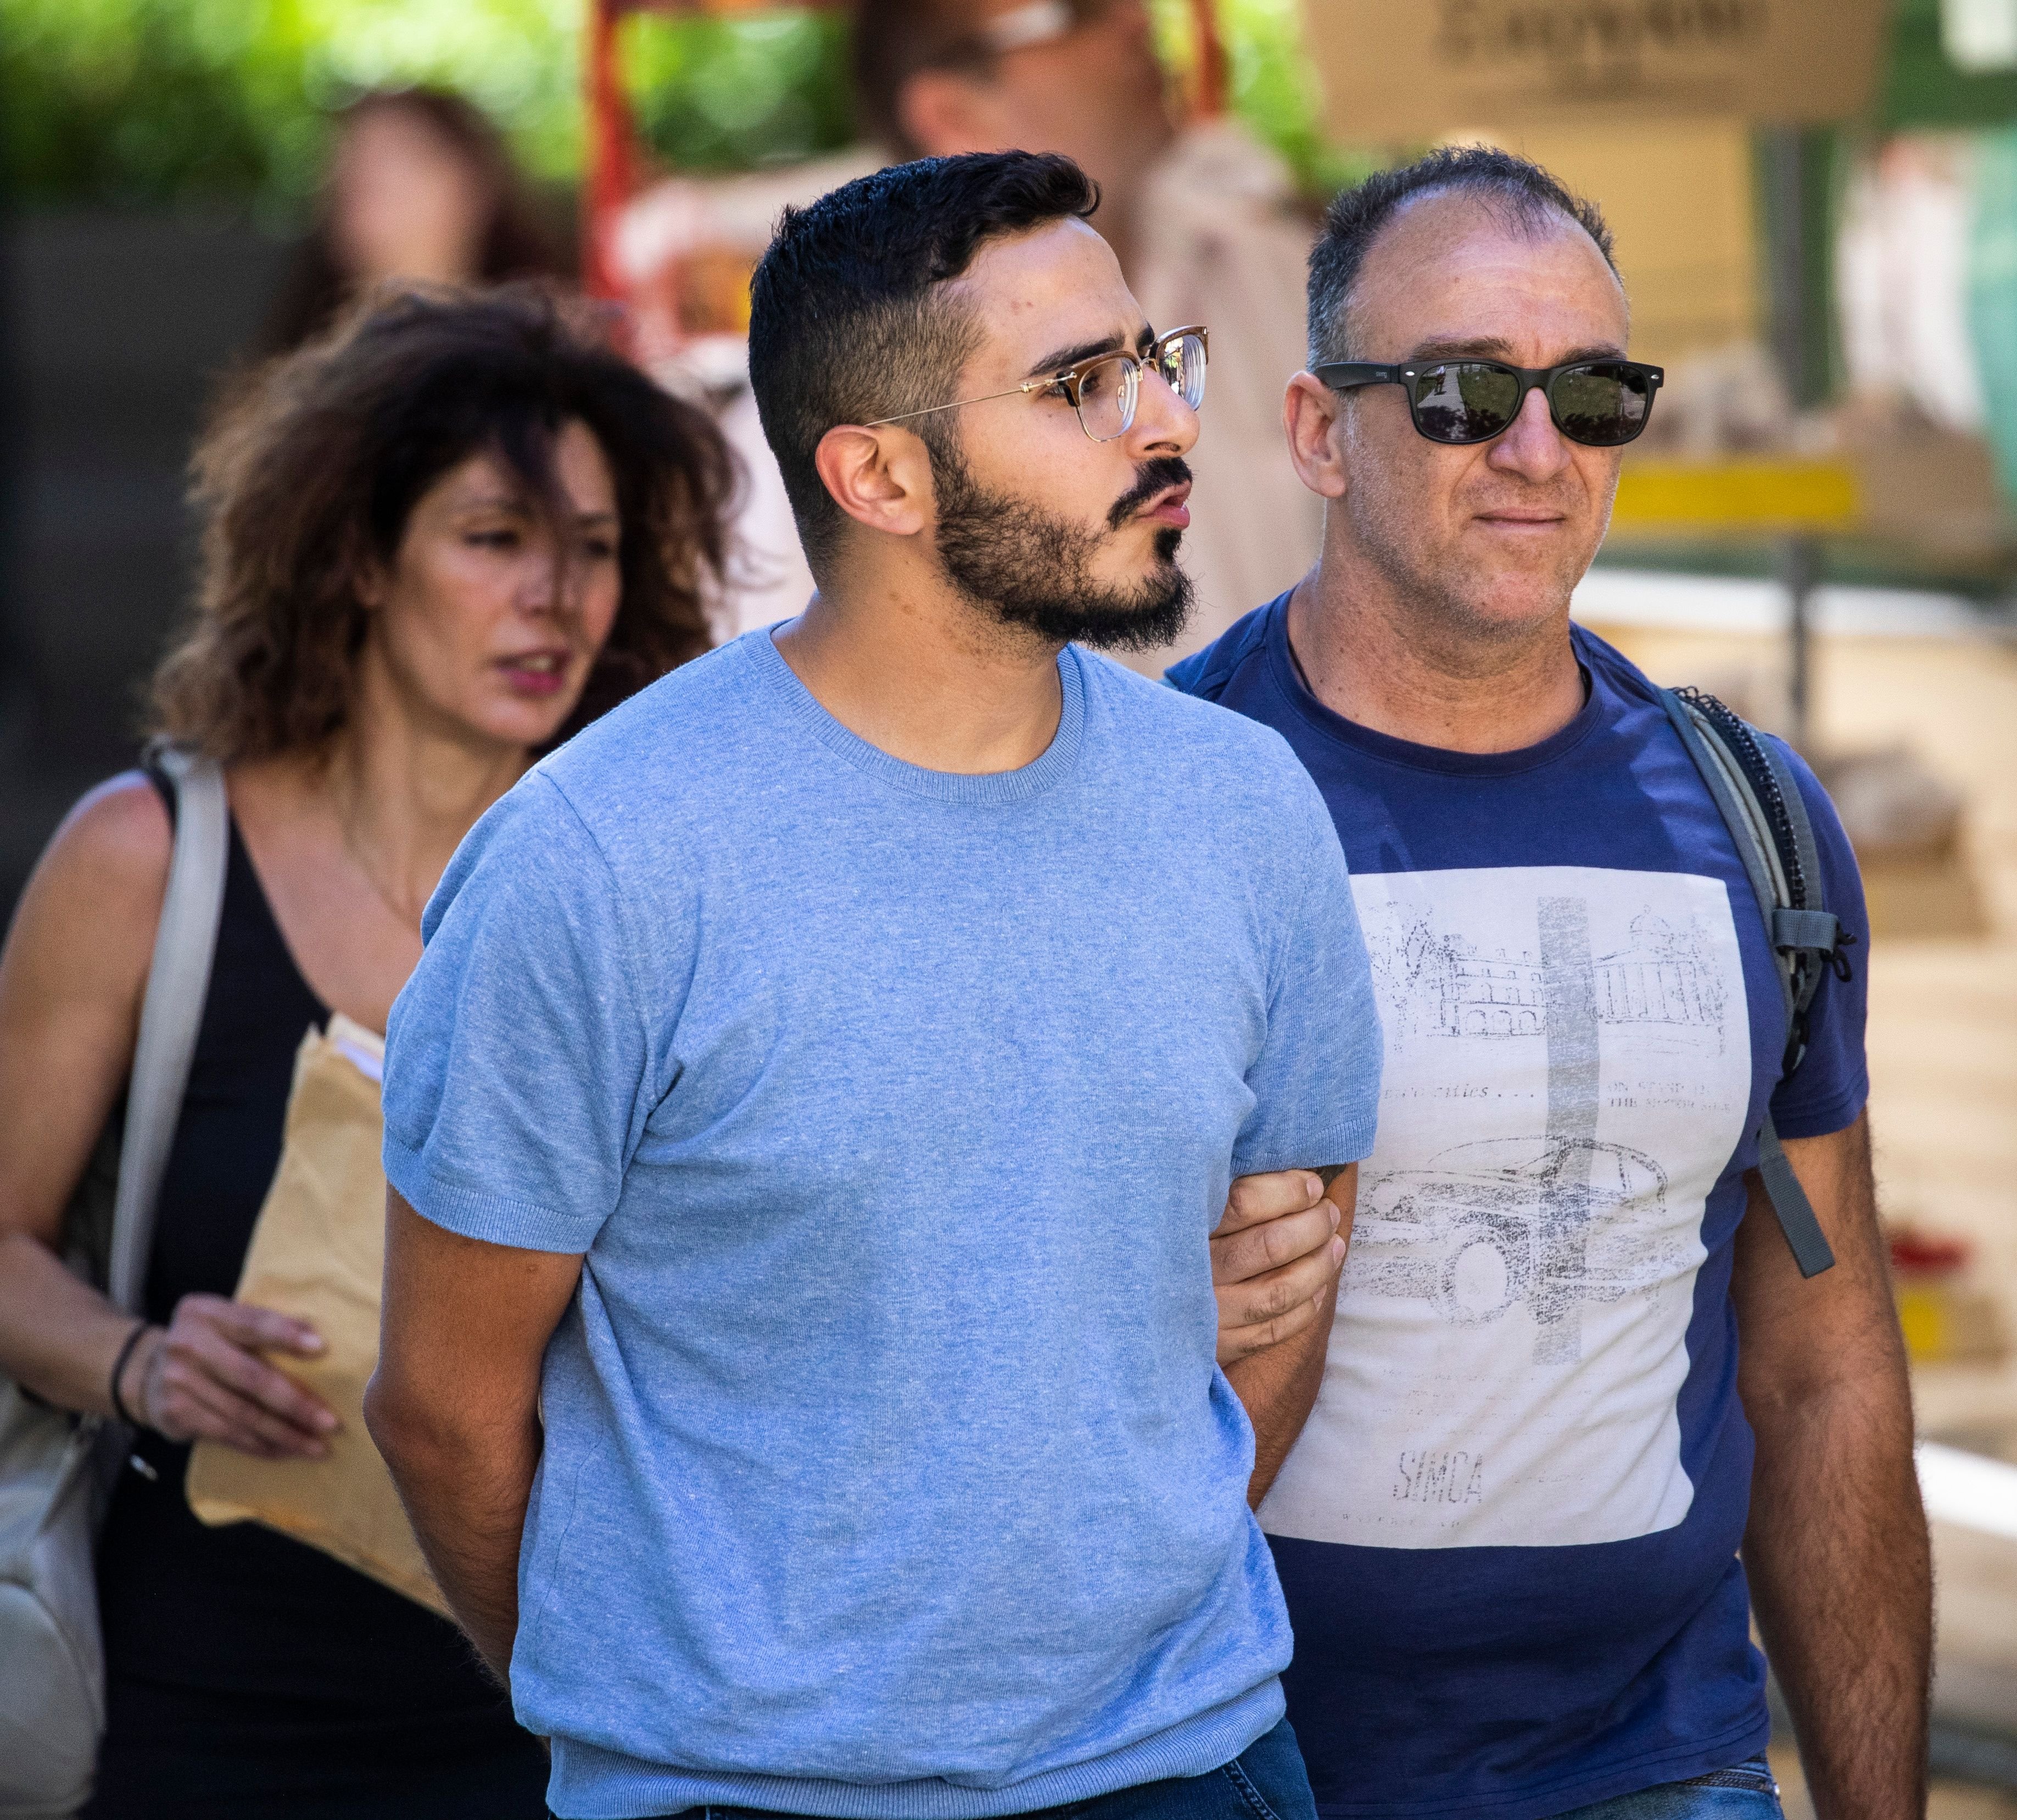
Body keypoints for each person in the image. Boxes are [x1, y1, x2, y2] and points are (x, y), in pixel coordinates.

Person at [365, 151, 1382, 1820]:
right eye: (1077, 385)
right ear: (878, 476)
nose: (1162, 422)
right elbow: (445, 1409)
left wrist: (1105, 1617)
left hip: (1186, 1767)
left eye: (1150, 360)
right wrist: (667, 1715)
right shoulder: (597, 861)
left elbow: (1295, 1279)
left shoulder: (1246, 809)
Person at [1169, 148, 1931, 1820]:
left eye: (1592, 392)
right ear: (1316, 429)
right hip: (1224, 1770)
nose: (1535, 450)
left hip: (1660, 1769)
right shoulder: (1156, 806)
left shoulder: (1759, 823)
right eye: (1458, 393)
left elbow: (1822, 1366)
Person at [0, 284, 732, 1817]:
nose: (555, 597)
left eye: (594, 549)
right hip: (197, 1714)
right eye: (494, 538)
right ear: (354, 555)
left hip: (582, 1726)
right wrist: (137, 1359)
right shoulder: (151, 860)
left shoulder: (662, 883)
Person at [850, 0, 1324, 667]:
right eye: (1076, 12)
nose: (1136, 19)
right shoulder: (856, 404)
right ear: (954, 115)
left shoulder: (1281, 269)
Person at [262, 89, 561, 353]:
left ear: (477, 186)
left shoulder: (548, 352)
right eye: (352, 166)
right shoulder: (291, 378)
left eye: (404, 160)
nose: (372, 180)